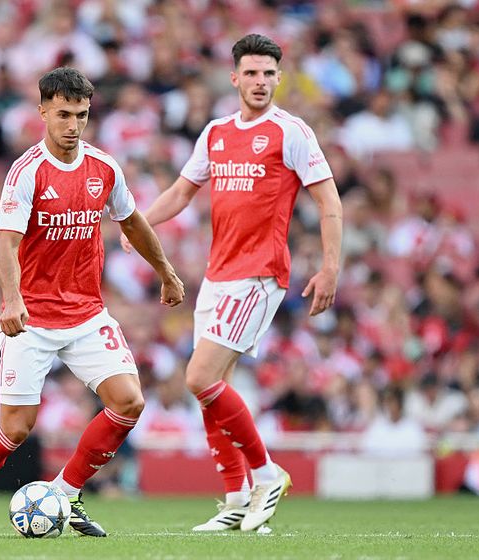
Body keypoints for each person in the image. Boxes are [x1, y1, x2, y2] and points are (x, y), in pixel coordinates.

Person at [0, 67, 184, 538]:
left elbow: (132, 222)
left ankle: (66, 494)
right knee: (15, 429)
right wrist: (11, 301)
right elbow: (6, 244)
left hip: (88, 314)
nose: (72, 125)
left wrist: (167, 272)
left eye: (81, 115)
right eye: (63, 114)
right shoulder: (27, 172)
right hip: (31, 318)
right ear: (43, 113)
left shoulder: (104, 168)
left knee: (129, 402)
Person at [122, 34, 342, 532]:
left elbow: (329, 201)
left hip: (259, 274)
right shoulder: (216, 132)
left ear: (278, 78)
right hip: (217, 275)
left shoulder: (292, 132)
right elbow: (181, 192)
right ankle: (236, 500)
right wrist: (137, 226)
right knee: (210, 388)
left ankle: (267, 474)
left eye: (269, 73)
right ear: (234, 77)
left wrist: (330, 267)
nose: (261, 82)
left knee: (198, 377)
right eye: (252, 73)